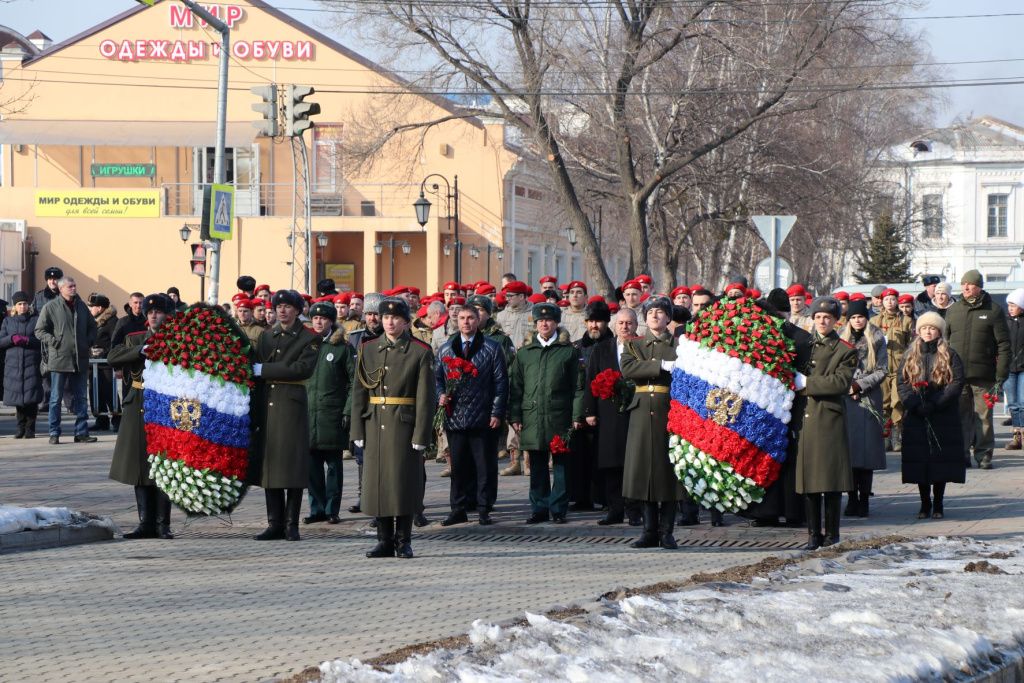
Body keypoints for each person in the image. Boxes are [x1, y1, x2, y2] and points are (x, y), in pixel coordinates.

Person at [352, 297, 435, 558]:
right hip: (375, 422)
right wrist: (357, 430)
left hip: (403, 424)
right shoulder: (368, 348)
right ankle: (384, 540)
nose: (389, 322)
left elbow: (426, 397)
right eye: (385, 317)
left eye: (395, 318)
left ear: (405, 322)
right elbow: (358, 393)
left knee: (403, 483)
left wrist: (421, 433)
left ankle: (404, 540)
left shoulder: (419, 351)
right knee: (379, 484)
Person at [247, 290, 320, 542]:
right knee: (271, 466)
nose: (282, 310)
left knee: (292, 467)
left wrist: (264, 369)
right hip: (268, 402)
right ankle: (274, 523)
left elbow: (302, 368)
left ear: (298, 310)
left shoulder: (308, 337)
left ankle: (291, 524)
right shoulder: (268, 336)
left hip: (290, 404)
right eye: (278, 306)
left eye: (288, 306)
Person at [508, 302, 584, 524]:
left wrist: (576, 416)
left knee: (560, 466)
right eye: (540, 320)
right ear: (535, 323)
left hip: (559, 416)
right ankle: (538, 508)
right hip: (532, 416)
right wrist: (514, 416)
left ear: (556, 322)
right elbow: (516, 387)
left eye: (549, 320)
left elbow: (577, 388)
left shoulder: (568, 352)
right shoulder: (524, 354)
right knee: (537, 464)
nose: (544, 323)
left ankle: (558, 509)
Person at [108, 293, 175, 539]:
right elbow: (112, 356)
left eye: (158, 312)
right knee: (139, 465)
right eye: (150, 312)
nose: (154, 315)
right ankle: (145, 523)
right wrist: (140, 351)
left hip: (166, 407)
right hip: (138, 404)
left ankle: (162, 524)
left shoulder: (178, 341)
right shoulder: (135, 338)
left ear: (168, 315)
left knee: (164, 466)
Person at [436, 304, 507, 526]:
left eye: (470, 318)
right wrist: (440, 395)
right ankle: (458, 508)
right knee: (458, 466)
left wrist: (496, 412)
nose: (466, 322)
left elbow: (501, 382)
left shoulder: (491, 347)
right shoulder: (447, 348)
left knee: (484, 465)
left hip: (483, 416)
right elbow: (437, 378)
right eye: (462, 318)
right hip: (455, 416)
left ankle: (484, 507)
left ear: (478, 321)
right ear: (456, 321)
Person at [795, 296, 858, 550]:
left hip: (828, 418)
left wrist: (808, 384)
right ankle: (813, 535)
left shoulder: (845, 350)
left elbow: (841, 383)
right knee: (810, 481)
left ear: (835, 321)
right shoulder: (803, 346)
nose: (822, 321)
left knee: (830, 481)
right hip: (805, 419)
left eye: (827, 318)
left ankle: (832, 534)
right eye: (818, 317)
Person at [620, 296, 682, 549]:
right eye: (650, 313)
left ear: (668, 318)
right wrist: (660, 366)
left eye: (660, 312)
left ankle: (667, 531)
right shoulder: (635, 345)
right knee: (644, 472)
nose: (655, 316)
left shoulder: (679, 345)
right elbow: (628, 369)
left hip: (669, 411)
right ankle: (649, 531)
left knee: (667, 472)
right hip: (642, 411)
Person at [897, 312, 965, 518]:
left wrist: (936, 403)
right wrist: (914, 404)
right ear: (918, 331)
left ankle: (939, 503)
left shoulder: (950, 354)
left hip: (942, 415)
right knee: (919, 460)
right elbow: (902, 383)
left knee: (939, 461)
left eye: (932, 328)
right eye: (924, 328)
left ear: (939, 331)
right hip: (917, 415)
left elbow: (956, 383)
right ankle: (924, 503)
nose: (928, 331)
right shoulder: (910, 355)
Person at [583, 305, 642, 526]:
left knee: (634, 464)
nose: (625, 327)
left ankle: (635, 511)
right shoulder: (602, 349)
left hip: (636, 412)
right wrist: (589, 411)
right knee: (611, 464)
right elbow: (590, 380)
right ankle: (615, 510)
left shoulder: (643, 347)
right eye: (621, 323)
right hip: (608, 412)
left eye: (629, 323)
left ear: (636, 325)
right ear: (614, 326)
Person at [946, 270, 1010, 469]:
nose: (965, 288)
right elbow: (944, 342)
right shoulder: (953, 310)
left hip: (984, 375)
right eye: (963, 284)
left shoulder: (994, 310)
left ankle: (984, 455)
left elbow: (1004, 344)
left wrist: (1001, 373)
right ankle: (962, 453)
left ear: (979, 286)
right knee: (961, 416)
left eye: (970, 284)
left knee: (983, 417)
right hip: (957, 374)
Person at [304, 301, 354, 525]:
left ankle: (332, 509)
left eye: (323, 318)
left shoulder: (342, 348)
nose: (318, 321)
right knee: (312, 467)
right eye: (314, 318)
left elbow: (354, 383)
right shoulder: (306, 347)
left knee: (333, 467)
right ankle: (316, 510)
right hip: (308, 415)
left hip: (331, 415)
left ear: (331, 321)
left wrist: (348, 410)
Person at [34, 277, 98, 445]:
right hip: (59, 359)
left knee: (81, 398)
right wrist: (54, 341)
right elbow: (39, 330)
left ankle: (81, 432)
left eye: (75, 285)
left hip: (80, 359)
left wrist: (88, 341)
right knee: (55, 398)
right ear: (61, 289)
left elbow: (93, 326)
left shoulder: (81, 306)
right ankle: (54, 432)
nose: (74, 288)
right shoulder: (51, 307)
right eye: (70, 286)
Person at [839, 298, 888, 518]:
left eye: (860, 317)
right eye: (853, 317)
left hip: (868, 397)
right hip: (846, 398)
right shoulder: (841, 338)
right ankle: (851, 498)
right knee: (848, 452)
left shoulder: (876, 338)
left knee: (866, 453)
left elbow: (882, 370)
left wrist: (860, 385)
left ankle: (865, 498)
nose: (857, 321)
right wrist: (846, 386)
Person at [568, 299, 612, 512]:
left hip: (606, 408)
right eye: (591, 321)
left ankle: (605, 497)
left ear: (607, 322)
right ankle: (582, 497)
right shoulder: (576, 348)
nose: (594, 325)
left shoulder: (614, 346)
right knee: (580, 456)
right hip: (581, 409)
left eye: (599, 321)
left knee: (604, 456)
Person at [870, 288, 913, 451]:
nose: (890, 302)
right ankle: (885, 434)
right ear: (882, 301)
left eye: (893, 299)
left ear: (897, 301)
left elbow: (911, 344)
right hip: (881, 368)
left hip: (899, 368)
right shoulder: (874, 321)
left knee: (898, 401)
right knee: (883, 402)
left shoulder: (906, 321)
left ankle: (897, 435)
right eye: (886, 299)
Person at [1, 292, 43, 438]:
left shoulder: (36, 320)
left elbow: (41, 341)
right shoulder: (8, 322)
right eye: (20, 304)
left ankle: (30, 428)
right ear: (15, 306)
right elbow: (1, 341)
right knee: (18, 399)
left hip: (32, 363)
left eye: (25, 303)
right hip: (14, 364)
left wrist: (27, 340)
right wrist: (12, 338)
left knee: (31, 398)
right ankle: (20, 428)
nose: (23, 306)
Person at [87, 293, 118, 432]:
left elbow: (115, 341)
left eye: (91, 306)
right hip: (93, 363)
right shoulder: (92, 321)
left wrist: (103, 352)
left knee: (109, 392)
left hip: (105, 363)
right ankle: (101, 420)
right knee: (95, 392)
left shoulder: (111, 321)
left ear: (99, 308)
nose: (89, 309)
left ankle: (117, 420)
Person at [1005, 288, 1024, 451]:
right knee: (1013, 404)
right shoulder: (1005, 322)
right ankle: (1016, 434)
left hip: (1023, 367)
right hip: (1008, 368)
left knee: (1023, 402)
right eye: (1009, 305)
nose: (1010, 308)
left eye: (1013, 305)